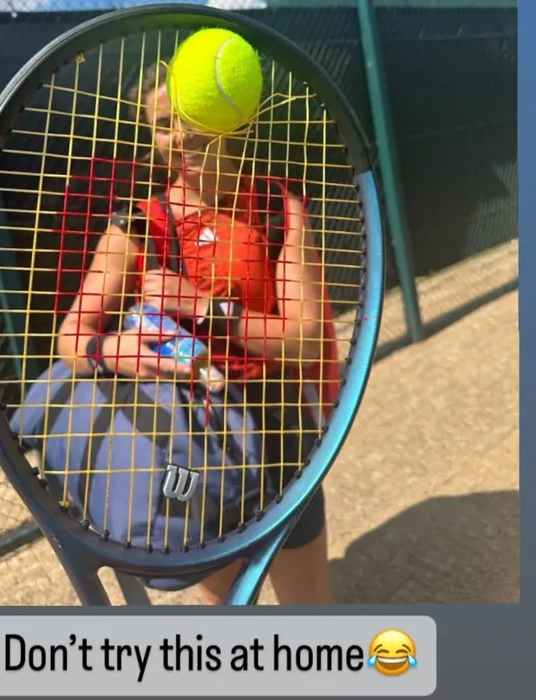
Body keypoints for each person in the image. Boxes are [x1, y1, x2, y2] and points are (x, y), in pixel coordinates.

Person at [56, 62, 337, 605]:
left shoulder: (275, 207)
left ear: (221, 115)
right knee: (225, 614)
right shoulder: (140, 224)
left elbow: (303, 339)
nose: (179, 136)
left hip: (279, 430)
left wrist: (202, 306)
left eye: (188, 118)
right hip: (191, 439)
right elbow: (73, 335)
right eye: (163, 125)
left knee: (311, 611)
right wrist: (111, 350)